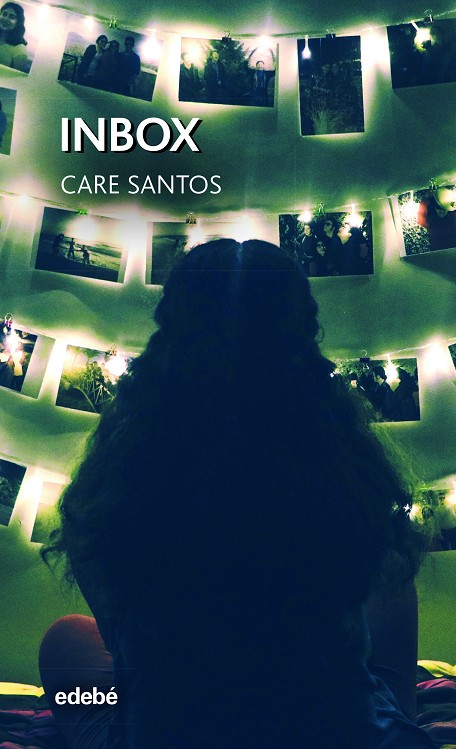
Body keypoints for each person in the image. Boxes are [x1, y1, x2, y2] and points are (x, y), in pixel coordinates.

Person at [40, 240, 434, 749]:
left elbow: (120, 640)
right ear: (302, 332)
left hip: (169, 732)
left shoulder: (112, 490)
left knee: (68, 640)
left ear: (170, 331)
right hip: (340, 730)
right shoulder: (346, 480)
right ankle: (395, 717)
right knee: (392, 590)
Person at [0, 2, 29, 72]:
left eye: (12, 17)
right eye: (4, 14)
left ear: (18, 23)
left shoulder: (20, 50)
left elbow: (15, 77)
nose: (6, 19)